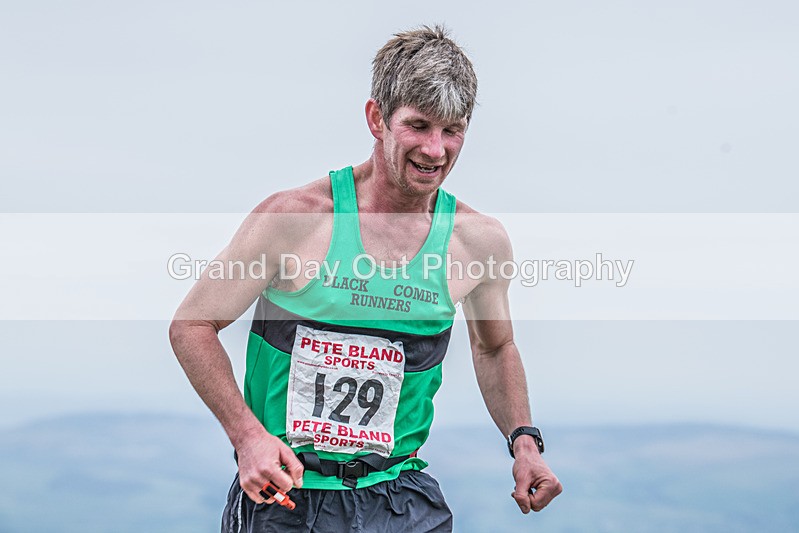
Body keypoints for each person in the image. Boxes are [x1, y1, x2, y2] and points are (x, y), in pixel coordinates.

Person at [169, 25, 561, 532]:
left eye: (452, 130)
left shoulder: (477, 243)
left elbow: (495, 347)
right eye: (418, 126)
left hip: (402, 500)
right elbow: (192, 326)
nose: (435, 150)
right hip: (288, 498)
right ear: (377, 118)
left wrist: (524, 442)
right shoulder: (295, 220)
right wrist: (247, 437)